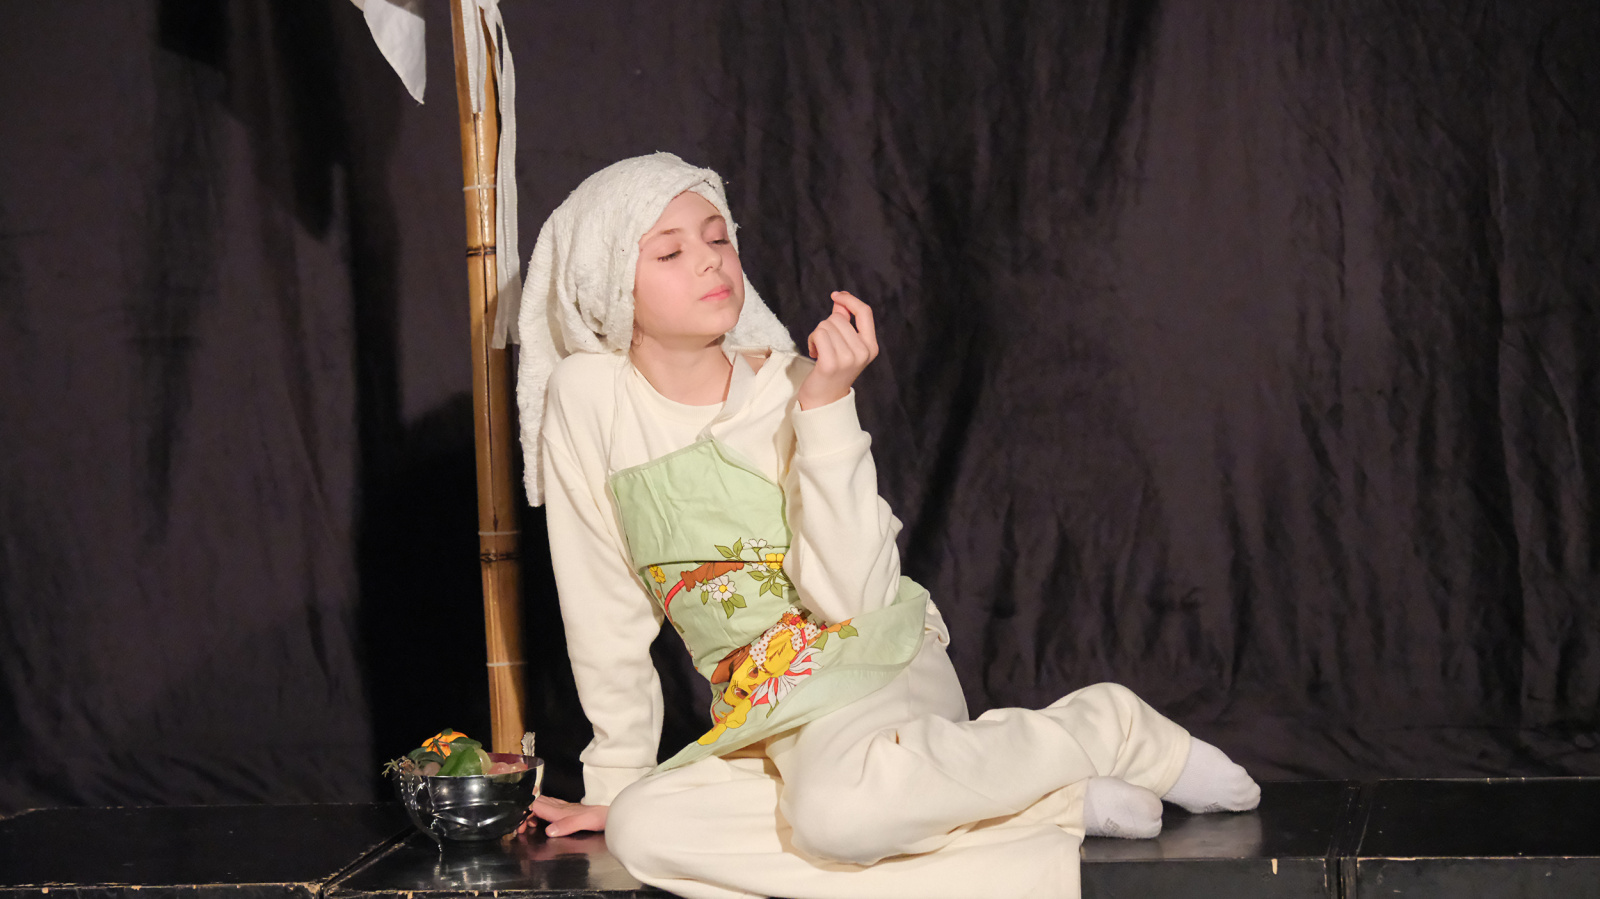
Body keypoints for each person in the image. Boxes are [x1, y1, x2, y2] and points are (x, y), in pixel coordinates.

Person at [514, 152, 1260, 899]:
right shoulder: (588, 400)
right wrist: (617, 780)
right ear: (608, 285)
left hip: (869, 664)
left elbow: (856, 602)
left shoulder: (794, 384)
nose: (711, 260)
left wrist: (827, 407)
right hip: (761, 716)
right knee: (643, 828)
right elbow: (603, 605)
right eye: (670, 252)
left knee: (836, 816)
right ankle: (1044, 805)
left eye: (717, 238)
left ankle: (1106, 728)